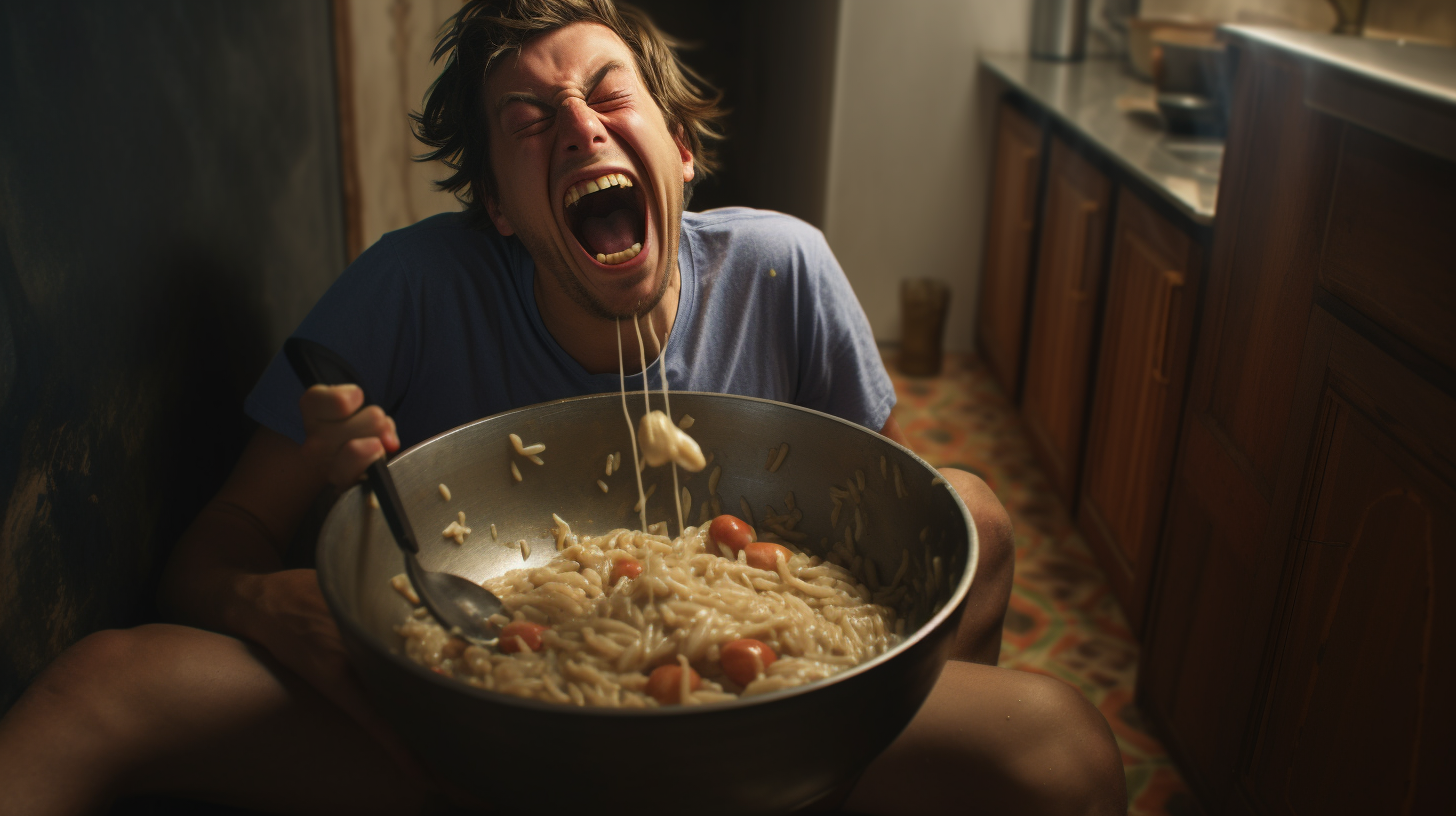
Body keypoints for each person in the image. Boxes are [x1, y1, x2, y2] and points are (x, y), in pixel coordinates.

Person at [0, 1, 1126, 813]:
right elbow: (205, 560)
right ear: (496, 201)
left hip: (753, 754)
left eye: (604, 92)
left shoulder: (785, 270)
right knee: (103, 686)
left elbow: (902, 535)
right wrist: (263, 599)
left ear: (680, 149)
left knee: (1007, 597)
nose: (578, 126)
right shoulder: (409, 286)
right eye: (527, 118)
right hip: (472, 748)